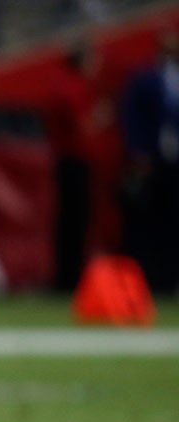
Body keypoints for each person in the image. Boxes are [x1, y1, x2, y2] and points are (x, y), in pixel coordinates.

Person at [121, 30, 179, 296]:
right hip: (152, 160)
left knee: (174, 222)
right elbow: (132, 117)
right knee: (148, 221)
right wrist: (138, 152)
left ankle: (170, 279)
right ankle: (147, 280)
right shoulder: (145, 79)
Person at [44, 43, 103, 292]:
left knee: (70, 221)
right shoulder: (74, 87)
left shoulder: (67, 85)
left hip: (69, 162)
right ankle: (69, 278)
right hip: (74, 161)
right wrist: (101, 117)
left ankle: (67, 277)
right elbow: (83, 125)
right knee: (74, 222)